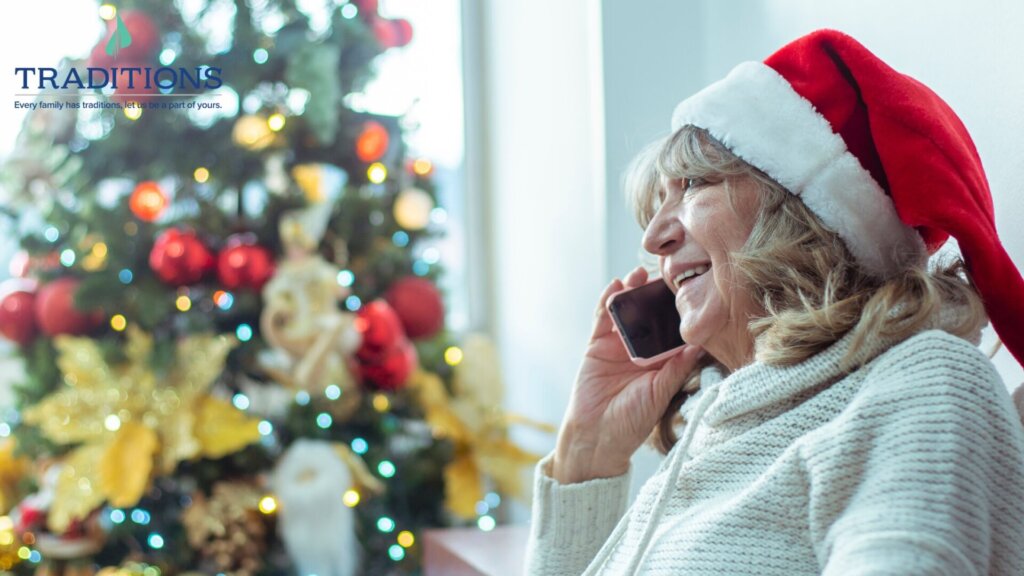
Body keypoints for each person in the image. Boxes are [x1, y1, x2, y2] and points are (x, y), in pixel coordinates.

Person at [524, 29, 1024, 575]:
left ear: (800, 209)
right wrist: (587, 452)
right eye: (655, 207)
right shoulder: (714, 434)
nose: (654, 238)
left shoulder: (919, 382)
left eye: (691, 184)